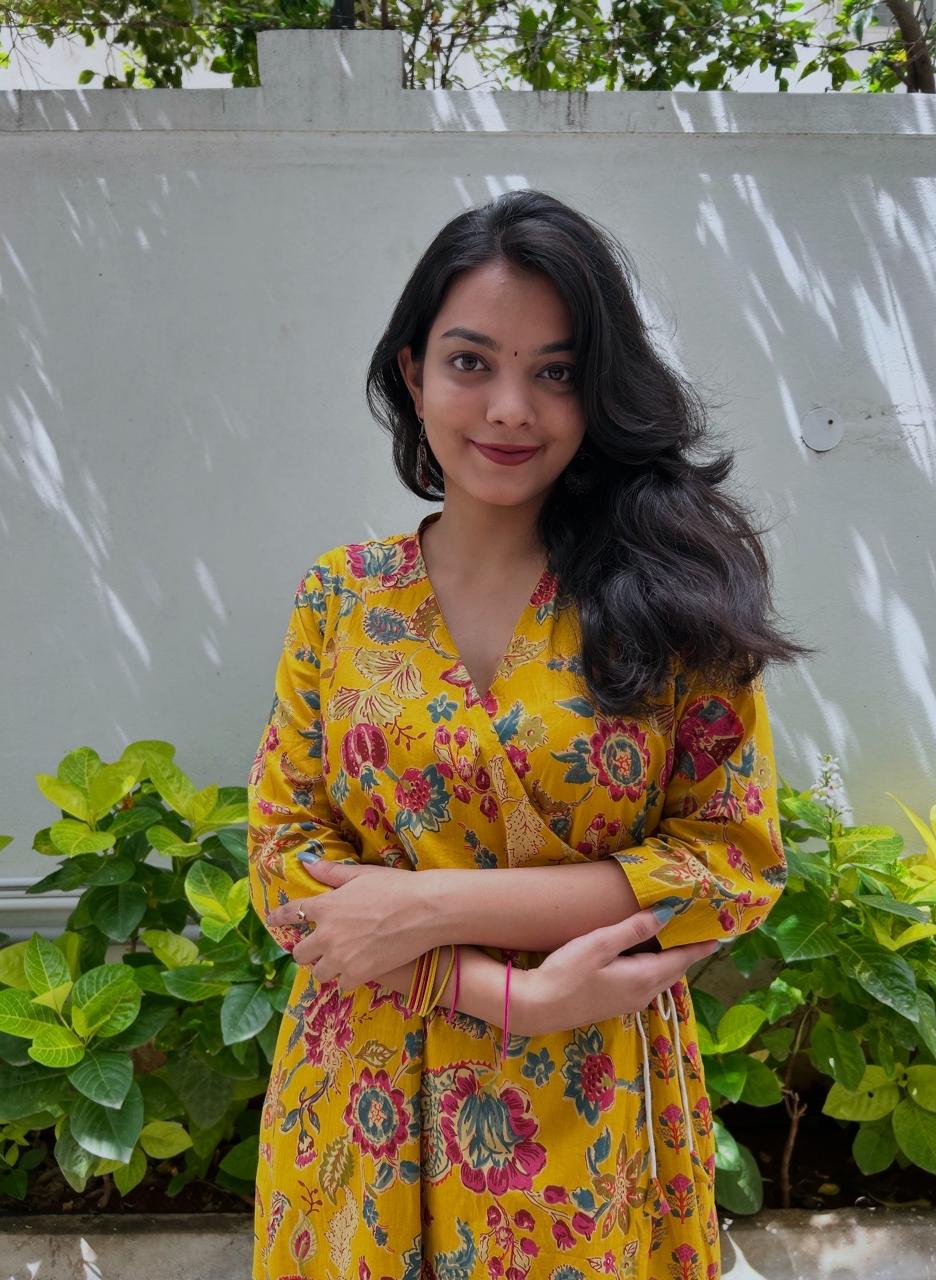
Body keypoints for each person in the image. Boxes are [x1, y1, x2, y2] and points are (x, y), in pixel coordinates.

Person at [246, 188, 811, 1280]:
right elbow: (284, 863)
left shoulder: (670, 601)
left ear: (599, 393)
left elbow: (728, 865)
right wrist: (504, 993)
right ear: (413, 373)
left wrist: (429, 906)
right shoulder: (342, 599)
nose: (511, 408)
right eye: (471, 362)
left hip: (585, 1109)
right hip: (360, 1104)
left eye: (556, 372)